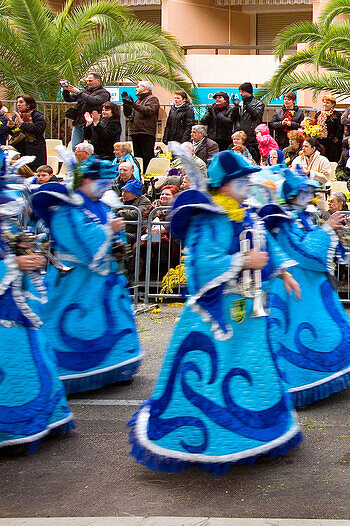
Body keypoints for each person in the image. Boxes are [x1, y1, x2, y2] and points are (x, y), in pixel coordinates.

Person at [129, 150, 303, 474]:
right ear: (222, 184)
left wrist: (283, 272)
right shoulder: (208, 218)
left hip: (250, 309)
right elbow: (201, 263)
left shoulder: (248, 212)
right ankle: (215, 436)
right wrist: (241, 262)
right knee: (214, 370)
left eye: (248, 178)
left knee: (253, 367)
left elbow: (266, 247)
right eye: (241, 179)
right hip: (219, 311)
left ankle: (259, 429)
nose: (248, 183)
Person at [31, 157, 143, 393]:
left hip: (105, 281)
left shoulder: (102, 206)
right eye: (99, 181)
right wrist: (107, 233)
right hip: (75, 282)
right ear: (85, 181)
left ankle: (115, 368)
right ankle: (75, 371)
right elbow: (77, 241)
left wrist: (118, 243)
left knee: (115, 321)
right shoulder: (67, 208)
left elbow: (113, 236)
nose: (104, 186)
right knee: (77, 325)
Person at [261, 170, 350, 406]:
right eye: (305, 192)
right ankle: (305, 380)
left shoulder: (301, 216)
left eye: (311, 191)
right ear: (293, 194)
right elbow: (302, 252)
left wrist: (329, 230)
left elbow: (311, 245)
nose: (310, 196)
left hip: (310, 283)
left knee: (325, 326)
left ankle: (331, 370)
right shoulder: (282, 220)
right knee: (301, 330)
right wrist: (327, 228)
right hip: (294, 283)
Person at [0, 148, 75, 453]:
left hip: (13, 305)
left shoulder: (6, 222)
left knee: (30, 356)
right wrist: (16, 264)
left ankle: (39, 418)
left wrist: (21, 253)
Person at [60, 72, 109, 147]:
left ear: (98, 81)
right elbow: (69, 99)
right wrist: (66, 90)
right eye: (87, 81)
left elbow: (92, 100)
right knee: (75, 147)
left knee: (91, 148)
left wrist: (78, 92)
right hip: (79, 123)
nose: (88, 83)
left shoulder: (104, 93)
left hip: (93, 125)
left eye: (90, 81)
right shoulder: (84, 91)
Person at [0, 95, 47, 170]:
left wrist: (22, 124)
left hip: (34, 151)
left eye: (21, 102)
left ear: (28, 104)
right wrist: (11, 125)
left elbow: (38, 130)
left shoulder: (37, 115)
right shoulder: (16, 116)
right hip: (20, 151)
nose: (18, 104)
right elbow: (14, 133)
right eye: (17, 102)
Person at [122, 81, 159, 168]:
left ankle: (147, 175)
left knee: (147, 157)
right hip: (135, 132)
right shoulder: (137, 100)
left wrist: (133, 104)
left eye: (138, 86)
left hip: (146, 132)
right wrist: (126, 105)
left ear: (145, 88)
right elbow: (128, 114)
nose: (136, 88)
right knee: (138, 157)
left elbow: (149, 111)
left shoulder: (152, 99)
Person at [230, 82, 266, 158]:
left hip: (251, 138)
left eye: (243, 91)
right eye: (240, 92)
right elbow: (233, 119)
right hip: (240, 137)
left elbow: (256, 115)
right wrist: (236, 108)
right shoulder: (240, 104)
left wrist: (247, 105)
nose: (241, 94)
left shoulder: (258, 104)